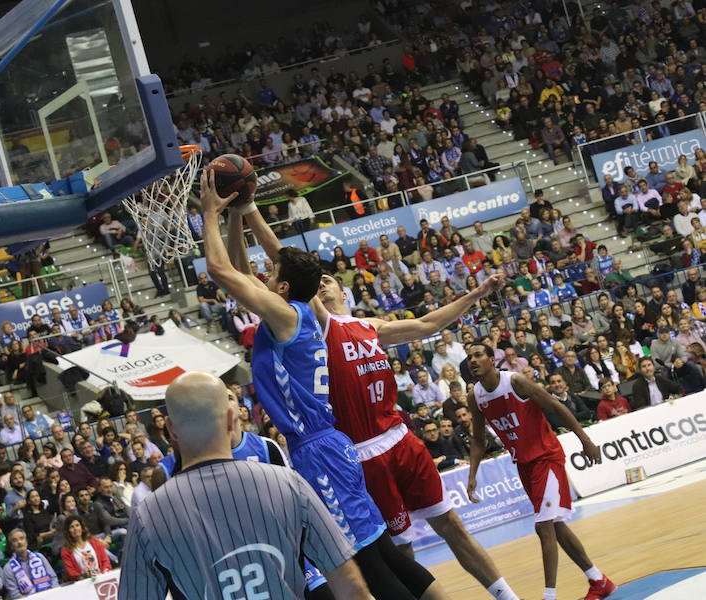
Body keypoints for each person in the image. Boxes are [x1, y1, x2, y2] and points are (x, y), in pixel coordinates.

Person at [199, 169, 443, 600]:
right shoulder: (301, 312)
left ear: (284, 286)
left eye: (270, 271)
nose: (263, 274)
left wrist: (211, 213)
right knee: (384, 554)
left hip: (318, 449)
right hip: (328, 445)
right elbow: (241, 269)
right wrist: (240, 213)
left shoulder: (287, 315)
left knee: (367, 567)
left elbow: (221, 269)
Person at [314, 268, 519, 599]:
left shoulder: (371, 327)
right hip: (364, 452)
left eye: (328, 280)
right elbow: (295, 270)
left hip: (400, 439)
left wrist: (478, 292)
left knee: (452, 525)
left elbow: (429, 324)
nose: (321, 284)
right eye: (316, 281)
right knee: (400, 551)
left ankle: (508, 596)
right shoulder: (319, 326)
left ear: (344, 292)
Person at [118, 372, 372, 599]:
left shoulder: (148, 514)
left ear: (171, 429)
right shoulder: (288, 484)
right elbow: (351, 587)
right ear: (231, 418)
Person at [465, 343, 616, 600]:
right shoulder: (475, 396)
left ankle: (549, 597)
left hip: (546, 457)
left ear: (492, 359)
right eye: (469, 357)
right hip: (524, 464)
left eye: (478, 355)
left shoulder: (515, 381)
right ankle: (598, 580)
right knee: (555, 527)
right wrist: (472, 475)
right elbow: (478, 440)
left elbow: (556, 407)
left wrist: (585, 440)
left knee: (543, 526)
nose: (473, 360)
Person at [2, 529, 58, 599]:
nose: (19, 542)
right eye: (15, 540)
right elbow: (15, 594)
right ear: (11, 546)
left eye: (22, 538)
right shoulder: (8, 568)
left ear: (26, 541)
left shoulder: (39, 557)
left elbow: (53, 577)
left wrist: (53, 594)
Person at [60, 517, 110, 581]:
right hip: (83, 583)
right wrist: (85, 576)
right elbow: (71, 572)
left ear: (82, 527)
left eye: (77, 525)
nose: (75, 529)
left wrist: (104, 573)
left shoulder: (94, 541)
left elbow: (105, 560)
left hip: (102, 577)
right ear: (68, 531)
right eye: (71, 527)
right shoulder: (65, 550)